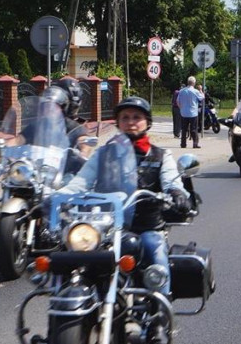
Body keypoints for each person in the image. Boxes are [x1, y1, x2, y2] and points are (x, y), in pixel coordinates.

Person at [56, 96, 190, 304]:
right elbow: (81, 182)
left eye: (137, 117)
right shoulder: (103, 154)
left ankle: (160, 311)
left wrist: (177, 194)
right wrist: (57, 196)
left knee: (155, 252)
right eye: (125, 117)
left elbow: (172, 182)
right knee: (74, 253)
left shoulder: (160, 155)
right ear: (117, 122)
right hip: (107, 227)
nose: (131, 122)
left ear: (147, 122)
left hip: (145, 225)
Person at [176, 76, 204, 149]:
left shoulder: (181, 91)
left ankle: (183, 144)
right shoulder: (195, 91)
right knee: (193, 129)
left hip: (184, 113)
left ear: (187, 82)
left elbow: (178, 101)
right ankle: (195, 144)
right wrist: (201, 89)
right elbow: (202, 97)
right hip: (193, 113)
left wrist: (181, 108)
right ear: (194, 83)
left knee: (184, 129)